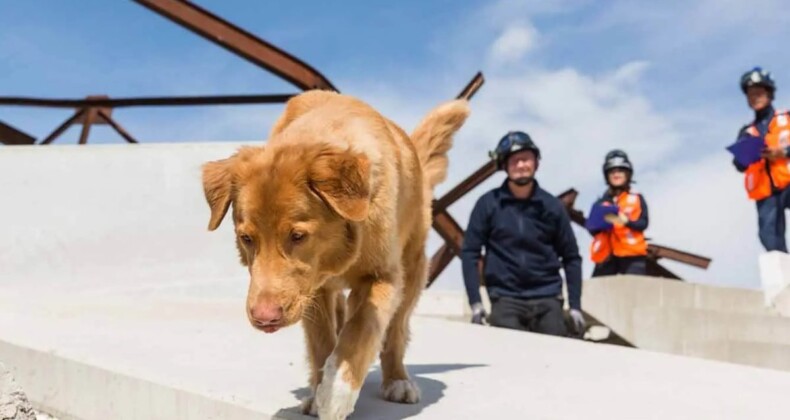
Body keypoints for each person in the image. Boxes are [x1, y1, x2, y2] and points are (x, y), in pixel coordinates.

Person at [460, 131, 585, 337]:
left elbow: (571, 257)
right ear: (504, 165)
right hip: (505, 299)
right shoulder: (488, 204)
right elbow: (470, 253)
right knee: (508, 362)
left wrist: (575, 306)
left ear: (536, 162)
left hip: (548, 298)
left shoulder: (552, 207)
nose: (520, 165)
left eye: (526, 159)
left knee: (556, 360)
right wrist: (475, 302)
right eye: (514, 160)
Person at [732, 67, 790, 252]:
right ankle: (784, 277)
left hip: (788, 181)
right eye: (751, 95)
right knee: (769, 236)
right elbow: (739, 165)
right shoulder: (746, 132)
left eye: (759, 93)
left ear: (769, 93)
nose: (755, 97)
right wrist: (746, 155)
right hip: (766, 191)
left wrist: (783, 152)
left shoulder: (787, 118)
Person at [586, 150, 649, 276]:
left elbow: (643, 223)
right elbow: (591, 228)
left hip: (632, 256)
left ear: (627, 174)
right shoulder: (600, 203)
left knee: (634, 291)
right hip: (606, 257)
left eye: (620, 171)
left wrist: (626, 221)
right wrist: (603, 223)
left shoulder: (636, 198)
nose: (616, 174)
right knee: (595, 291)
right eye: (612, 172)